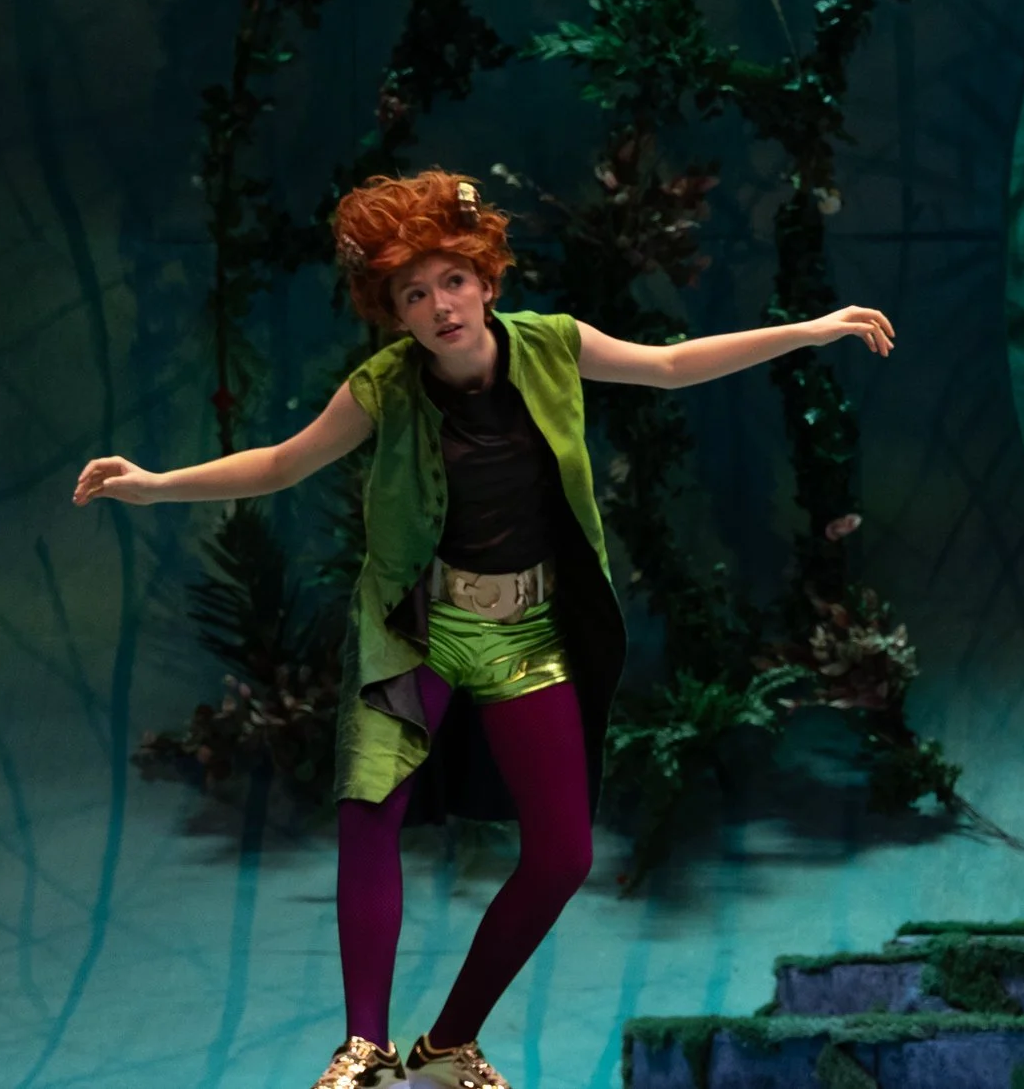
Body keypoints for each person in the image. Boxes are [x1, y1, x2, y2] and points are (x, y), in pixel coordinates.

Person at [74, 170, 895, 1089]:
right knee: (368, 814)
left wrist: (811, 330)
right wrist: (153, 484)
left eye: (452, 281)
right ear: (393, 314)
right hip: (417, 630)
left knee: (564, 855)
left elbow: (668, 365)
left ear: (487, 280)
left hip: (526, 631)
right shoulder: (384, 387)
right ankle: (365, 1050)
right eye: (413, 294)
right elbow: (279, 464)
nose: (439, 306)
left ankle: (448, 1045)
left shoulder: (552, 346)